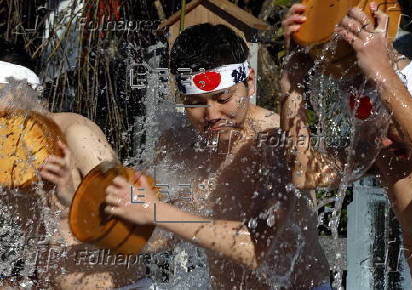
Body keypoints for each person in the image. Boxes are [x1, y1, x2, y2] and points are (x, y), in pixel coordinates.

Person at [104, 23, 333, 289]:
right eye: (196, 103)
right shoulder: (178, 143)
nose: (211, 115)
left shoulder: (274, 141)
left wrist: (156, 211)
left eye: (223, 98)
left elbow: (256, 248)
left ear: (249, 81)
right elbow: (160, 236)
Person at [283, 2, 412, 289]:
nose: (382, 142)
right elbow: (306, 172)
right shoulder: (386, 150)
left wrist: (381, 71)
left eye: (391, 127)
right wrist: (292, 84)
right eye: (372, 132)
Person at [0, 41, 149, 289]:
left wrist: (70, 195)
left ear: (20, 91)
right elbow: (47, 250)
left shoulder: (76, 135)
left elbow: (134, 232)